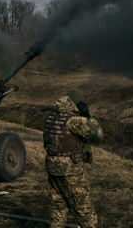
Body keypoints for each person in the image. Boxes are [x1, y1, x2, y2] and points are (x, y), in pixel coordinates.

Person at [43, 89, 103, 228]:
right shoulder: (74, 120)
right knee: (84, 209)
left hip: (52, 167)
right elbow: (97, 136)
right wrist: (88, 117)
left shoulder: (50, 115)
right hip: (70, 169)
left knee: (59, 206)